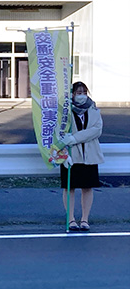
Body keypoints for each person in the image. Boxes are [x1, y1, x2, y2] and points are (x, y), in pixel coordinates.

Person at [59, 81, 104, 232]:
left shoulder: (94, 109)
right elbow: (61, 131)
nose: (82, 96)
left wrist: (75, 138)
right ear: (72, 94)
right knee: (69, 187)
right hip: (71, 155)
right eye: (78, 93)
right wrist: (68, 143)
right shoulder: (65, 110)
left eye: (84, 93)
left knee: (87, 187)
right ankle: (70, 218)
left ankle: (85, 219)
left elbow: (96, 130)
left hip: (89, 154)